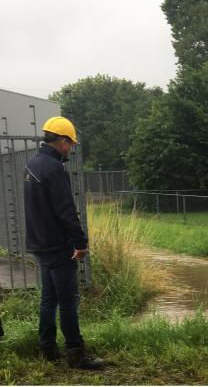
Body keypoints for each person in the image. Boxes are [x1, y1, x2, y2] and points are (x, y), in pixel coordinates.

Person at [24, 116, 103, 369]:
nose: (70, 148)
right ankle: (76, 354)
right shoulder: (54, 168)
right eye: (70, 143)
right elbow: (66, 210)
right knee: (68, 301)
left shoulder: (32, 165)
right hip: (59, 246)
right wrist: (80, 243)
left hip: (40, 244)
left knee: (49, 299)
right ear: (61, 140)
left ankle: (47, 348)